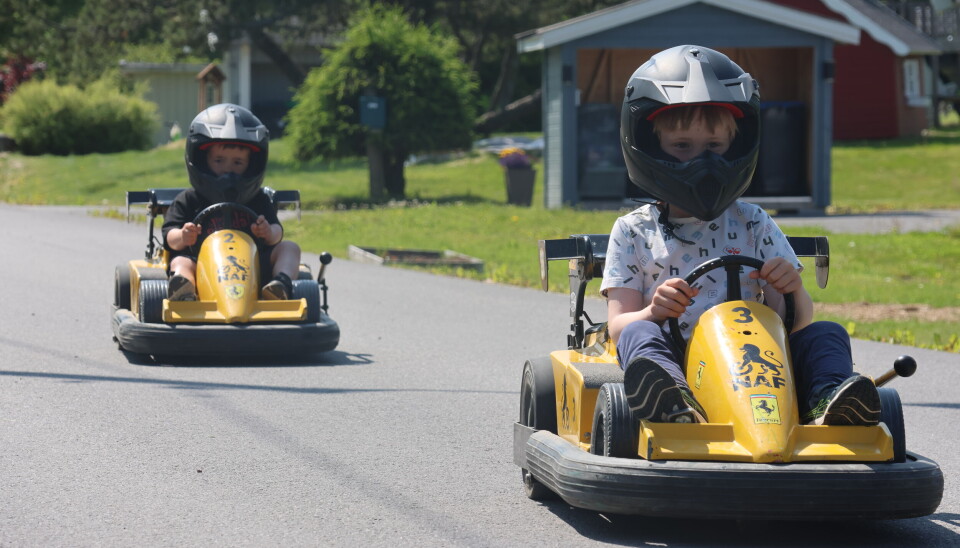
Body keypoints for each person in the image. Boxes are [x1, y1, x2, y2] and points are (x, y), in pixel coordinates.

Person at [601, 45, 880, 426]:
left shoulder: (754, 222)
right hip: (675, 359)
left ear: (734, 146)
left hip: (757, 364)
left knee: (826, 333)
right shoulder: (633, 231)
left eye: (714, 147)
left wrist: (790, 287)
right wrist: (653, 311)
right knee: (637, 333)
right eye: (683, 147)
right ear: (651, 146)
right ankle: (673, 404)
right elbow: (617, 326)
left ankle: (827, 403)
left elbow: (795, 322)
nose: (702, 161)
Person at [162, 103, 301, 302]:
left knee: (290, 248)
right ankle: (185, 290)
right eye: (219, 161)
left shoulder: (258, 199)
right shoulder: (188, 199)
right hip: (201, 266)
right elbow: (170, 237)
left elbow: (277, 233)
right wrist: (184, 236)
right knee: (180, 262)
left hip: (255, 269)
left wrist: (268, 233)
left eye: (237, 163)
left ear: (250, 164)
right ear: (203, 160)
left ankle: (280, 285)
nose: (228, 169)